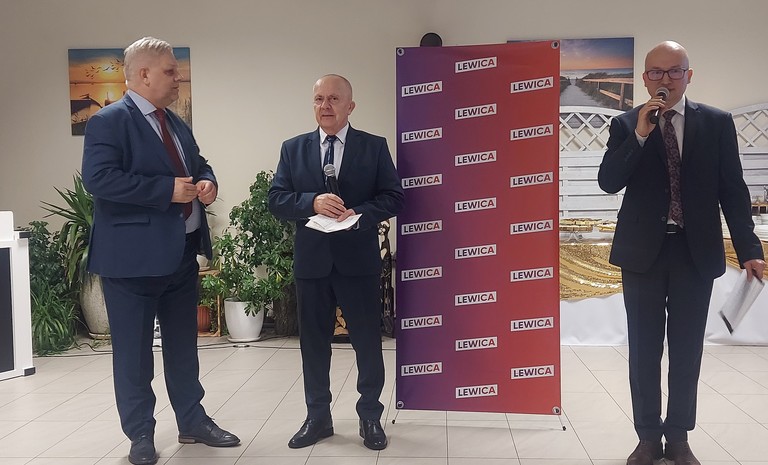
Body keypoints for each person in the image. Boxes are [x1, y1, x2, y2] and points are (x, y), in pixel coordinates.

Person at [599, 40, 765, 465]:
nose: (665, 79)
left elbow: (733, 190)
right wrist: (640, 134)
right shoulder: (625, 124)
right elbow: (609, 181)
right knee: (644, 351)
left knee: (687, 350)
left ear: (689, 75)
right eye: (656, 72)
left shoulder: (716, 123)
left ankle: (678, 437)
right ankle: (647, 437)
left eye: (674, 71)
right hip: (643, 255)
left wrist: (749, 248)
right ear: (644, 78)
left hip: (695, 253)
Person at [81, 37, 239, 465]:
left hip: (182, 254)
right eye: (170, 71)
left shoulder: (175, 122)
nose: (178, 77)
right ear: (143, 74)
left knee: (183, 349)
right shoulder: (109, 121)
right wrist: (165, 190)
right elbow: (98, 179)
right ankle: (140, 435)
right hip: (131, 262)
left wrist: (207, 182)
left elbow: (199, 164)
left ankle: (193, 421)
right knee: (134, 355)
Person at [268, 74, 404, 450]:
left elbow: (394, 197)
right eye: (318, 99)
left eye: (333, 99)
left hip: (358, 262)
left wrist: (359, 213)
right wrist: (310, 202)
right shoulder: (293, 149)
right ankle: (318, 418)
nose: (325, 106)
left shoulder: (373, 147)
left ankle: (370, 417)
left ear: (350, 106)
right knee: (313, 345)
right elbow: (277, 199)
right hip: (312, 264)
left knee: (367, 343)